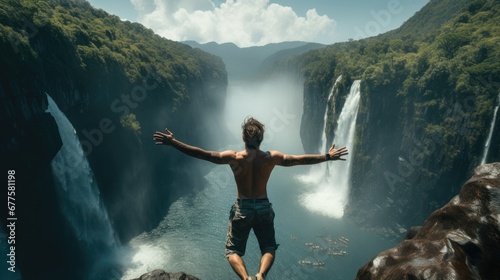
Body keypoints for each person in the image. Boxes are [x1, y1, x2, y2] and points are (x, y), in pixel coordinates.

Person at [153, 117, 348, 280]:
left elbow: (202, 154)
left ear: (243, 138)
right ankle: (261, 276)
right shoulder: (272, 157)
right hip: (263, 207)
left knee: (233, 251)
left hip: (243, 208)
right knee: (269, 247)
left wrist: (174, 142)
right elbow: (301, 160)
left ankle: (246, 279)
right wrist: (327, 156)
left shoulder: (234, 157)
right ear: (262, 138)